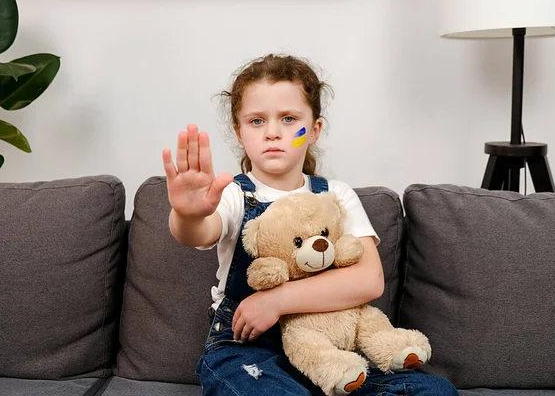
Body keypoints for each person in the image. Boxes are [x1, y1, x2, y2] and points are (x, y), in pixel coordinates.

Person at [162, 54, 458, 395]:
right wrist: (188, 214)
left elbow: (369, 280)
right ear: (239, 132)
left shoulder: (336, 195)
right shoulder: (233, 195)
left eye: (289, 119)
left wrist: (275, 301)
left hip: (331, 353)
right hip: (247, 352)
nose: (273, 132)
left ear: (314, 129)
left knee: (433, 391)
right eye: (257, 121)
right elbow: (199, 232)